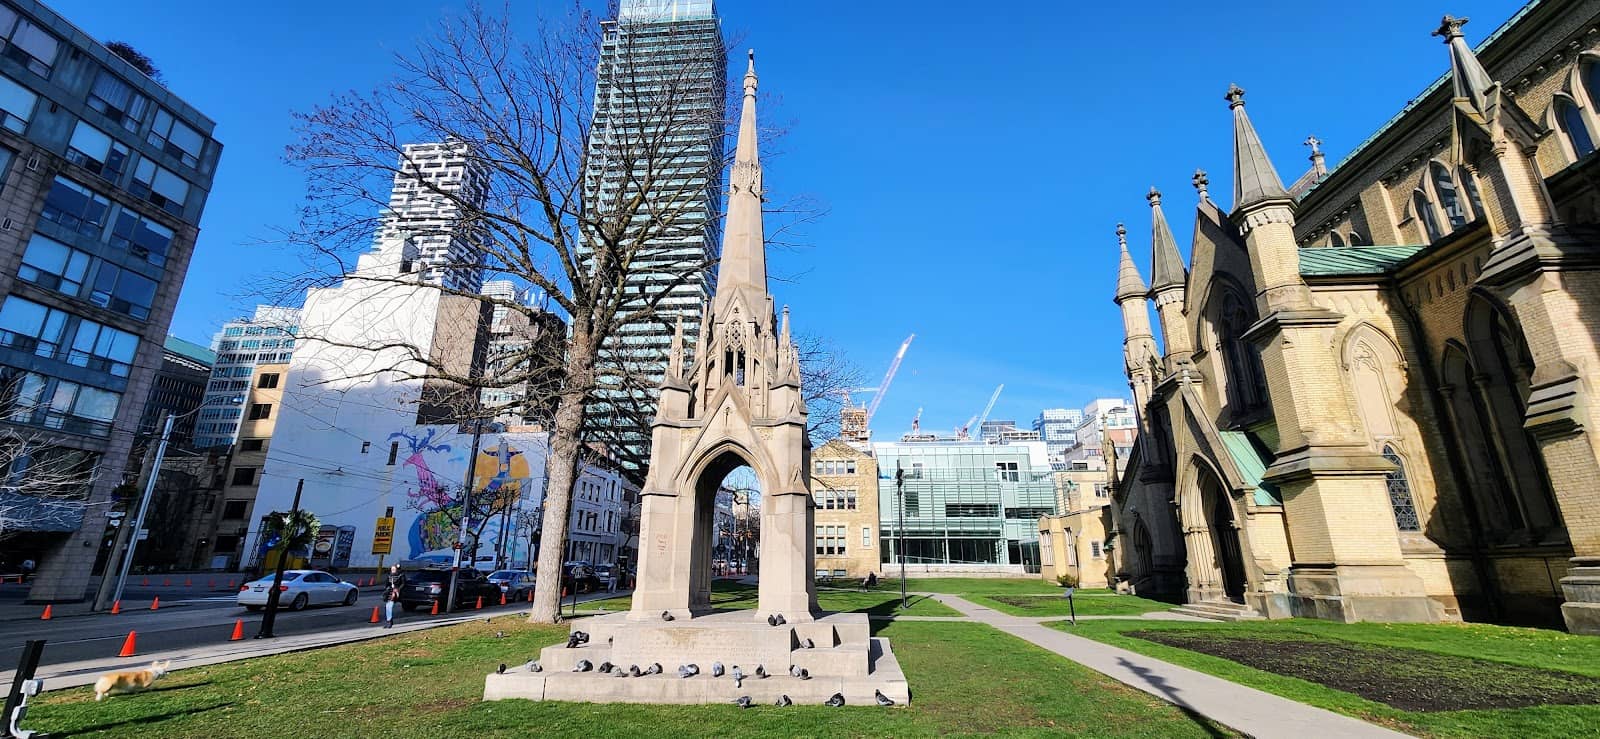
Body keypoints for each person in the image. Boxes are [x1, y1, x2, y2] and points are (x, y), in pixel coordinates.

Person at [382, 564, 404, 628]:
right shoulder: (389, 575)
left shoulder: (401, 575)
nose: (393, 570)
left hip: (396, 592)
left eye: (394, 569)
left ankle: (389, 621)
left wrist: (397, 589)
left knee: (390, 606)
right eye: (392, 569)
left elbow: (403, 583)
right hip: (390, 591)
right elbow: (386, 583)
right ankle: (389, 621)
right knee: (387, 606)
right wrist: (386, 588)